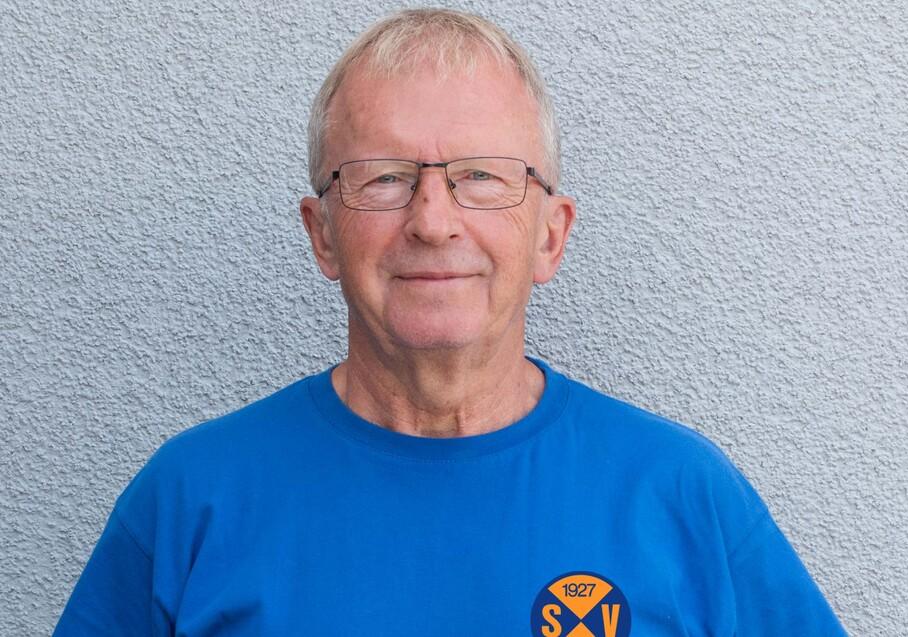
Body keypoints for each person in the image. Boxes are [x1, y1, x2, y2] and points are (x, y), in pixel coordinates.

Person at [54, 8, 847, 636]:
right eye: (385, 177)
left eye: (480, 176)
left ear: (551, 232)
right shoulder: (192, 498)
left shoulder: (681, 496)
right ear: (322, 232)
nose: (434, 221)